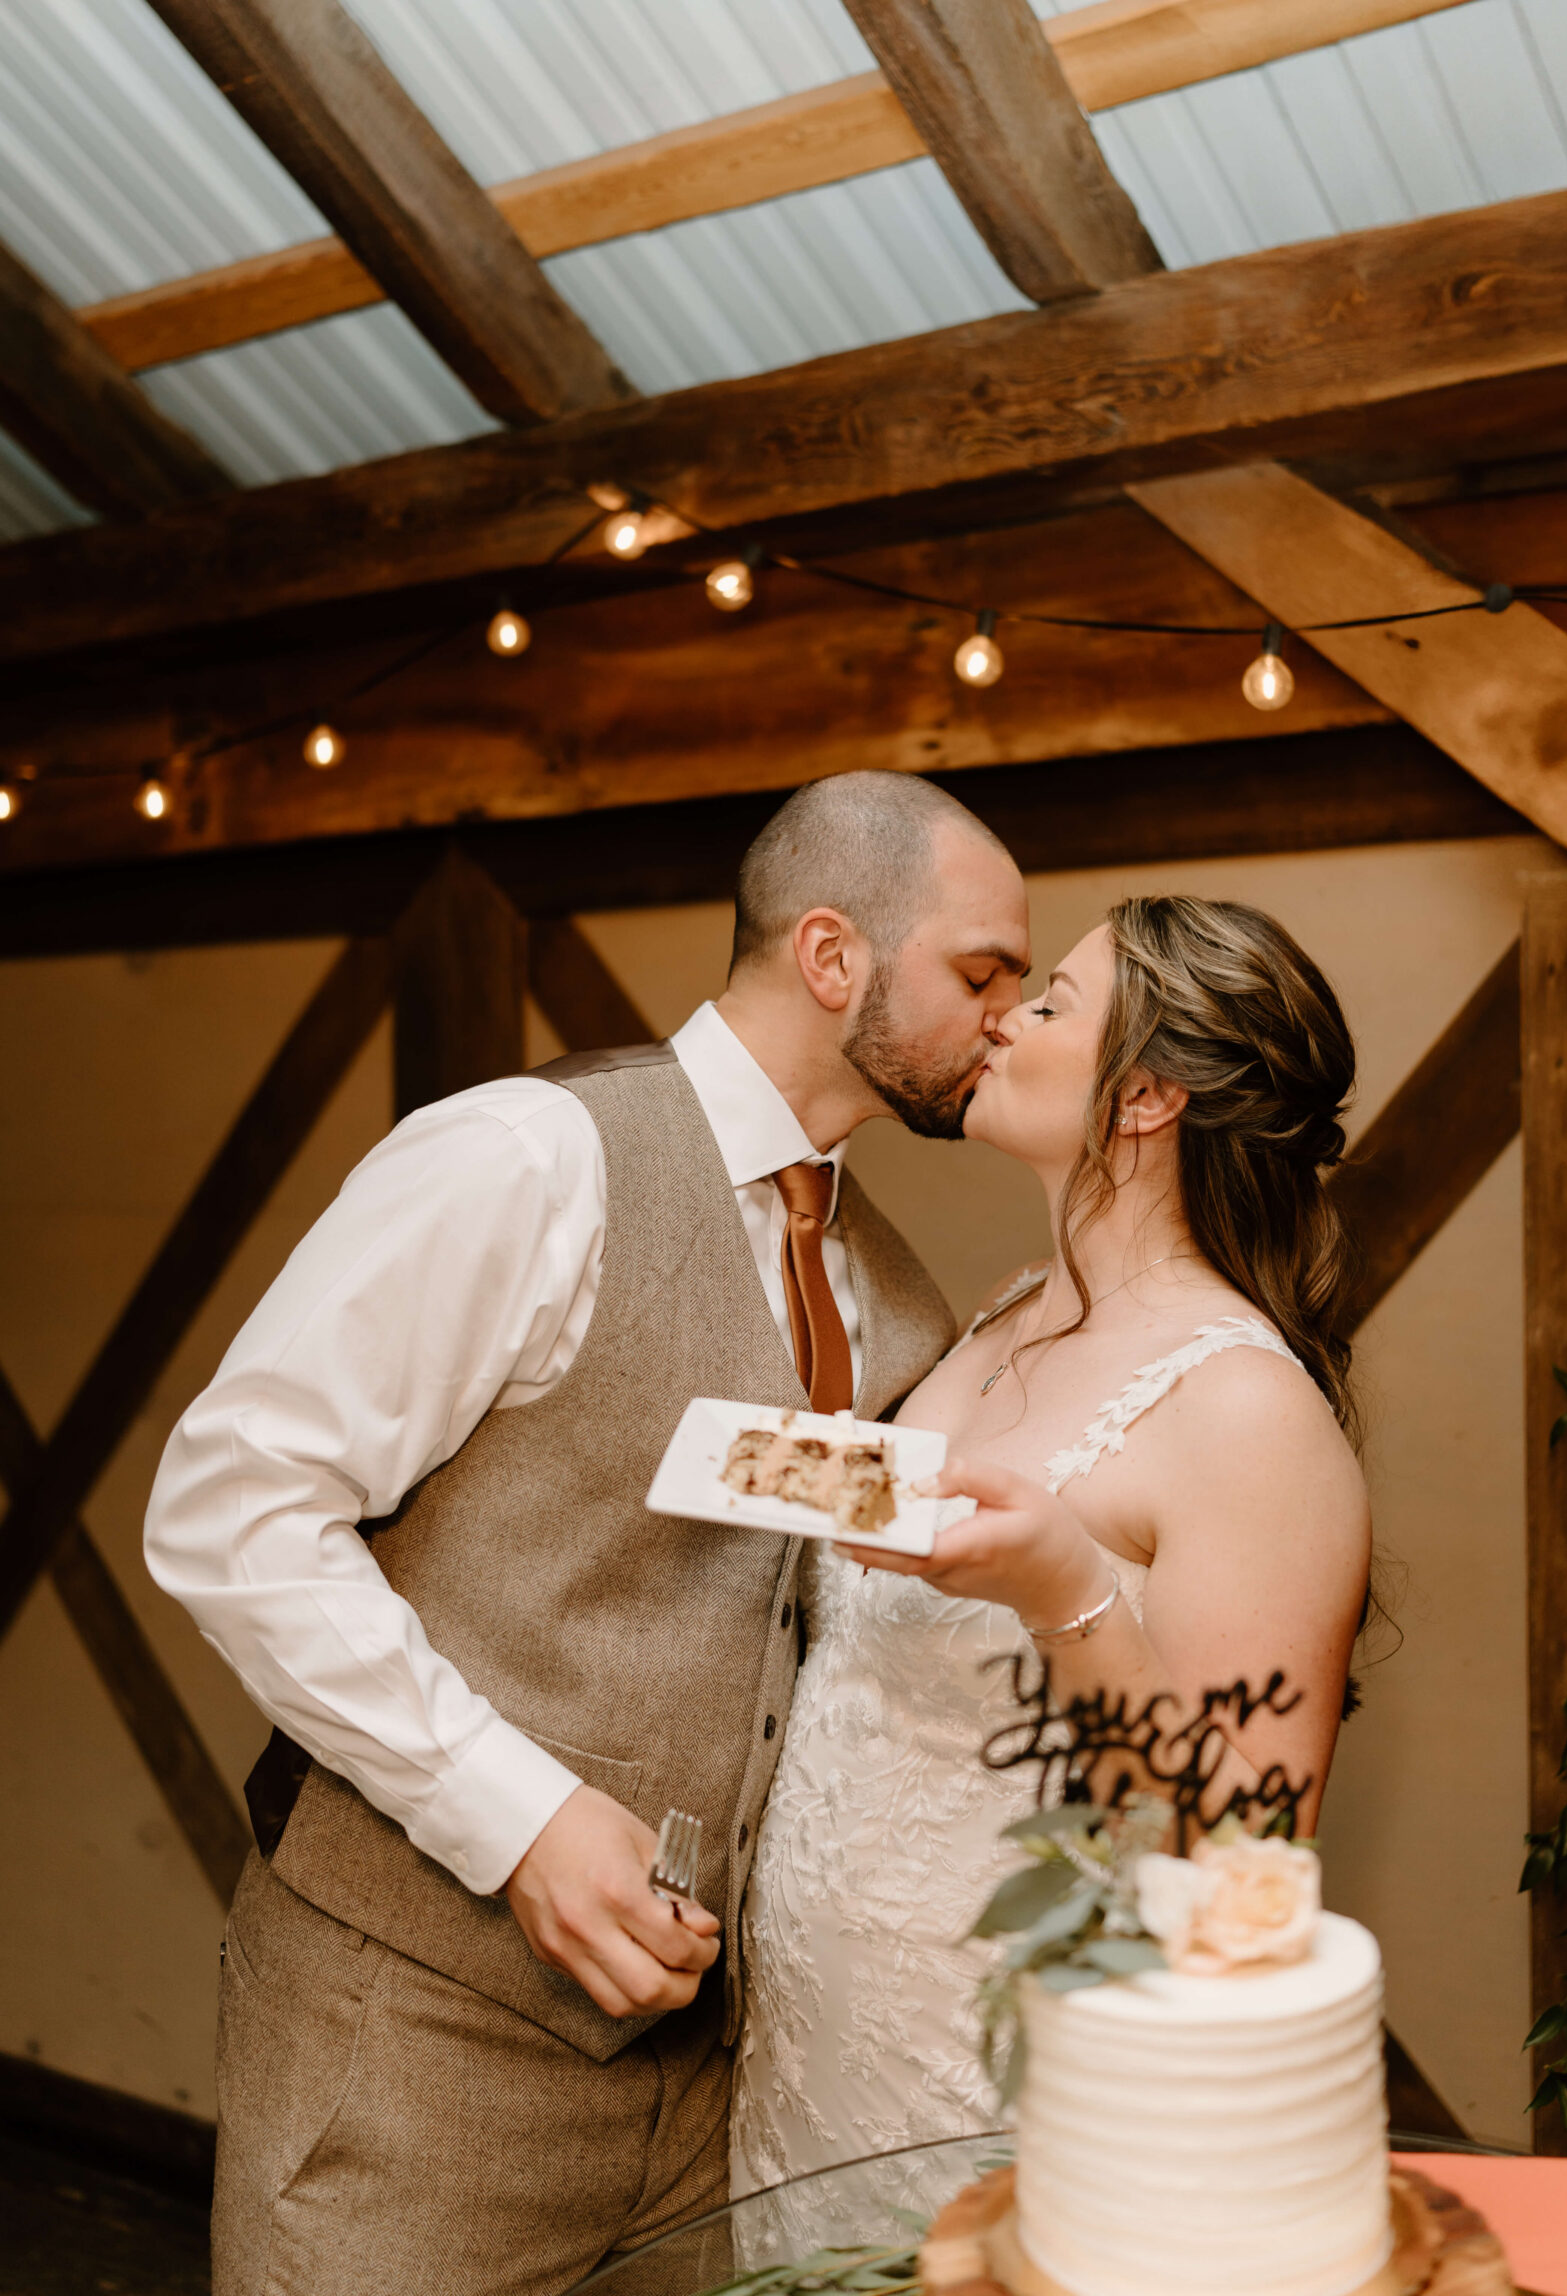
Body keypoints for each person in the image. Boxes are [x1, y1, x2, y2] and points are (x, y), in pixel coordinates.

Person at [143, 771, 1031, 2296]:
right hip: (413, 2052)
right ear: (833, 959)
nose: (1007, 1016)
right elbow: (233, 1509)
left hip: (698, 2107)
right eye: (981, 972)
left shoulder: (897, 1295)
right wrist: (523, 1818)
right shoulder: (527, 1159)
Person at [732, 894, 1373, 2191]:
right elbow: (875, 1543)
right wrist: (719, 1446)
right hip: (804, 2074)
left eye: (1051, 1003)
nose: (1004, 1019)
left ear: (1143, 1099)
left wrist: (1068, 1591)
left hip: (1002, 2090)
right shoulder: (1005, 1317)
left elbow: (1241, 1853)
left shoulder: (1249, 1413)